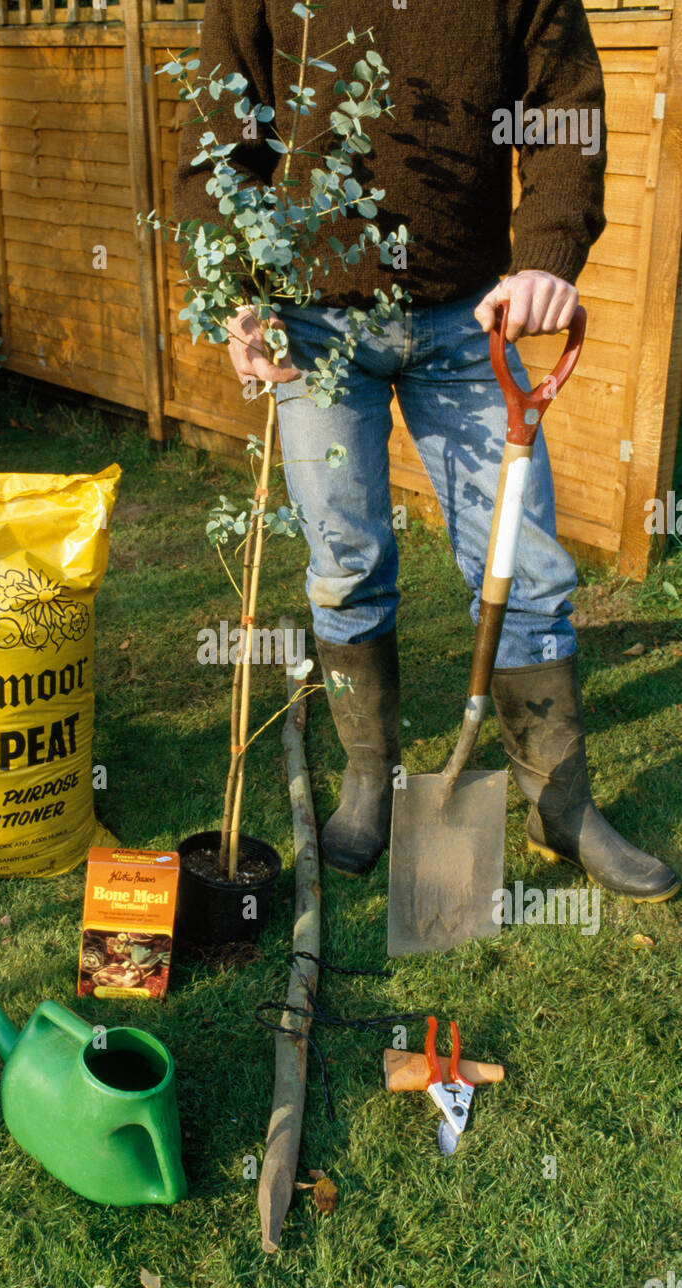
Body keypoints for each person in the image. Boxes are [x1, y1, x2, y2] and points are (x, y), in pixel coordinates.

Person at [173, 0, 678, 901]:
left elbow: (564, 116)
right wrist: (234, 293)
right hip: (312, 326)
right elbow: (219, 129)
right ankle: (371, 782)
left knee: (527, 568)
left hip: (469, 317)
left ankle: (559, 803)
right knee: (346, 562)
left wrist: (550, 260)